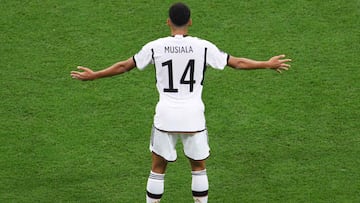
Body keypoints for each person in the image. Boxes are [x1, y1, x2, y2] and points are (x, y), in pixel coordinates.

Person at [70, 2, 291, 203]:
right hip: (193, 116)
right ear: (190, 22)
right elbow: (238, 63)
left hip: (165, 116)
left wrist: (95, 75)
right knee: (198, 167)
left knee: (157, 168)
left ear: (168, 22)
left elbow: (124, 66)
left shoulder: (156, 46)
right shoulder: (203, 47)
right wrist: (267, 63)